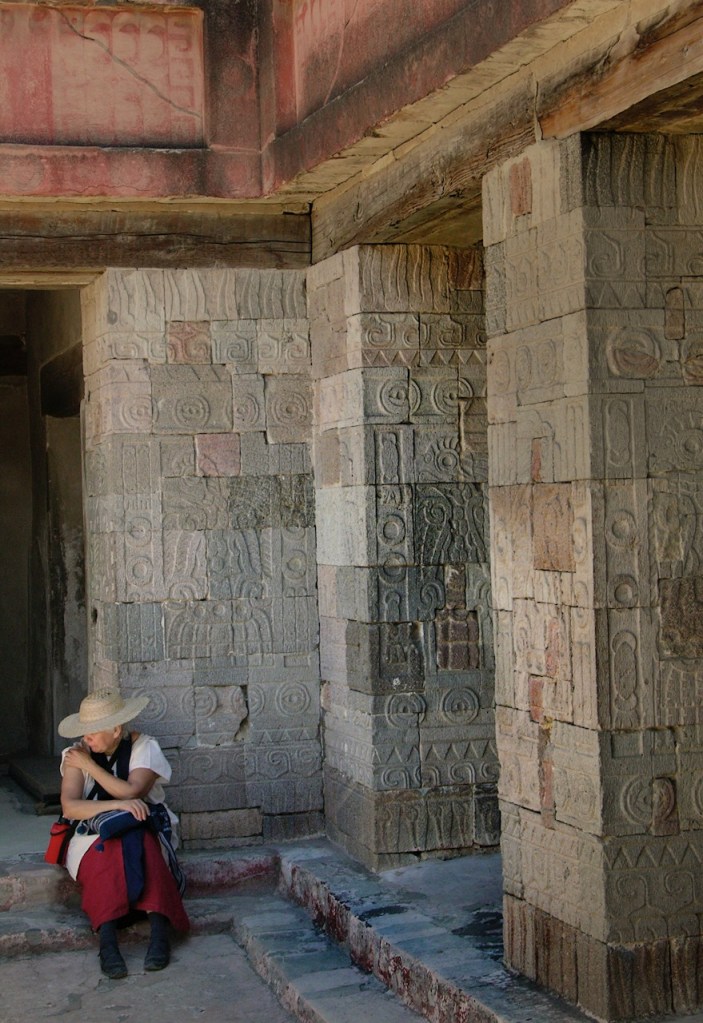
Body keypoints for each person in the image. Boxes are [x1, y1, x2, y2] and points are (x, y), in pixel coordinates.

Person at [58, 687, 190, 979]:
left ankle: (159, 932)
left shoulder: (144, 747)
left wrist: (92, 767)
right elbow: (69, 806)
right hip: (91, 831)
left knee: (143, 844)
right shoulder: (75, 755)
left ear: (116, 729)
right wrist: (119, 805)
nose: (86, 736)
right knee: (105, 853)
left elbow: (134, 791)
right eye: (85, 730)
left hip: (144, 823)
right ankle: (107, 942)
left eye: (93, 730)